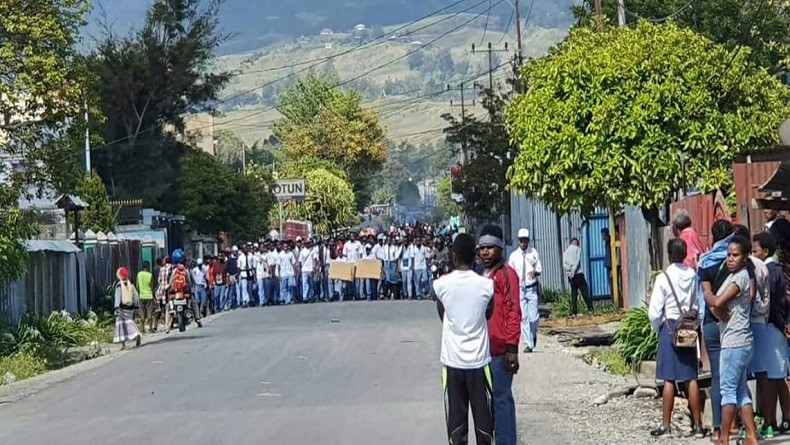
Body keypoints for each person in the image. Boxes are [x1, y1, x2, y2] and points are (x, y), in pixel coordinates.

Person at [433, 233, 495, 445]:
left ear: (454, 257)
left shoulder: (441, 285)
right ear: (474, 257)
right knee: (485, 427)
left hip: (452, 363)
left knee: (456, 428)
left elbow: (442, 314)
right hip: (479, 363)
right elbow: (488, 313)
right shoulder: (486, 285)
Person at [704, 236, 759, 445]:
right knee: (741, 390)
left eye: (735, 255)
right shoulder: (735, 276)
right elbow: (716, 307)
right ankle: (751, 436)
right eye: (728, 255)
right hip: (739, 339)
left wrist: (706, 290)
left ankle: (724, 438)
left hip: (734, 341)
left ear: (745, 257)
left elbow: (716, 301)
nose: (731, 259)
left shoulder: (740, 278)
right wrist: (716, 306)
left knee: (727, 391)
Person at [647, 239, 705, 438]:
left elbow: (655, 311)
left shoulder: (664, 277)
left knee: (668, 378)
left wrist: (659, 328)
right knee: (691, 377)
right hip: (689, 327)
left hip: (670, 327)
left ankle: (666, 425)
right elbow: (698, 303)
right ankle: (698, 425)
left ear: (669, 254)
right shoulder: (693, 275)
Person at [477, 225, 521, 445]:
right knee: (498, 400)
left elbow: (514, 311)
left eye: (490, 248)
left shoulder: (506, 274)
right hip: (483, 349)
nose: (485, 253)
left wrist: (512, 348)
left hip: (501, 350)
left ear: (500, 249)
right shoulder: (480, 274)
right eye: (481, 248)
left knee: (501, 400)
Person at [698, 219, 735, 442]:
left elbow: (702, 295)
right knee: (736, 375)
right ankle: (737, 425)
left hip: (711, 323)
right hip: (733, 322)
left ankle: (718, 427)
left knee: (717, 377)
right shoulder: (738, 260)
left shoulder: (705, 261)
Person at [751, 231, 789, 438]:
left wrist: (780, 324)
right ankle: (783, 419)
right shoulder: (776, 270)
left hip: (771, 328)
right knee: (778, 375)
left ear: (765, 251)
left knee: (770, 377)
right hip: (777, 328)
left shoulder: (767, 272)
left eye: (755, 250)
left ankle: (770, 421)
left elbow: (774, 306)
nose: (752, 254)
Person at [508, 228, 542, 353]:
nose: (523, 243)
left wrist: (535, 272)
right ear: (518, 241)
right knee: (524, 318)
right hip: (519, 290)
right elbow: (510, 273)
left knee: (534, 318)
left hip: (531, 288)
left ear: (528, 241)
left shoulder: (533, 253)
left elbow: (539, 268)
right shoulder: (513, 256)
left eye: (525, 240)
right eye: (521, 240)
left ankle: (533, 336)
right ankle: (528, 344)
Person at [563, 238, 593, 315]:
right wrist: (573, 270)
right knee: (584, 291)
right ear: (576, 243)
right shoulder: (577, 249)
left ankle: (574, 311)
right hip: (578, 274)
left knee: (574, 293)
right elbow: (577, 261)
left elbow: (564, 264)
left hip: (570, 275)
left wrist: (570, 270)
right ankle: (590, 309)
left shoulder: (566, 251)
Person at [113, 267, 142, 350]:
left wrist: (116, 308)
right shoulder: (130, 284)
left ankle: (127, 341)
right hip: (130, 308)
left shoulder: (119, 285)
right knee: (129, 321)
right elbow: (136, 295)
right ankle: (135, 337)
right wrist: (136, 306)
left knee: (121, 325)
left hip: (122, 308)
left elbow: (117, 297)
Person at [136, 261, 157, 333]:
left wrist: (140, 292)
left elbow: (137, 286)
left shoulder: (139, 274)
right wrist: (154, 296)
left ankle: (142, 329)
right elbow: (152, 287)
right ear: (148, 267)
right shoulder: (150, 275)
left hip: (141, 296)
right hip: (149, 296)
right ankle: (150, 328)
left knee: (142, 312)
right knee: (149, 312)